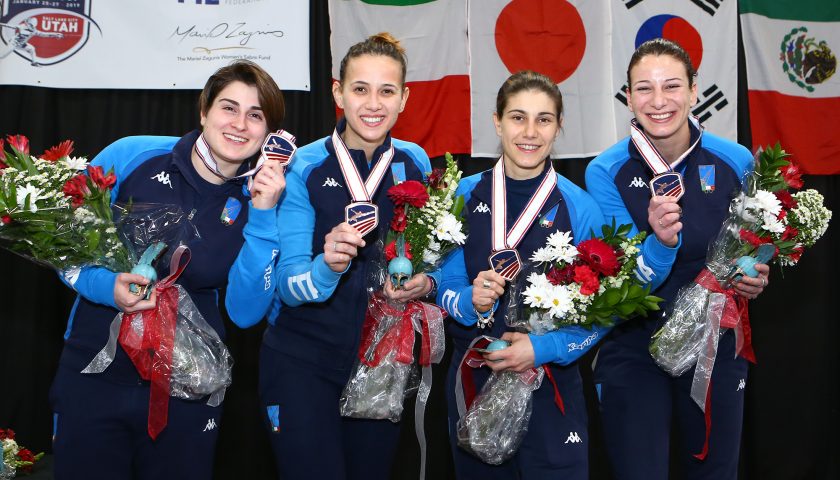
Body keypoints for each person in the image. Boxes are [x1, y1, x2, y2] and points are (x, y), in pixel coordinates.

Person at [49, 60, 287, 480]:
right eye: (228, 108)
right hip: (94, 374)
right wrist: (107, 287)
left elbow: (247, 312)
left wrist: (264, 215)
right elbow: (61, 246)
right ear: (203, 112)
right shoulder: (133, 154)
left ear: (269, 133)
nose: (239, 124)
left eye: (255, 115)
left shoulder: (266, 198)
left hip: (190, 387)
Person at [225, 33, 435, 479]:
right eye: (359, 89)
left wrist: (427, 283)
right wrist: (328, 267)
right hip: (303, 361)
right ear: (338, 92)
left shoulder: (415, 162)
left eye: (386, 90)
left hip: (381, 362)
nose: (373, 103)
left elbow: (435, 256)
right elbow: (288, 285)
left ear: (404, 99)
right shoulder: (302, 165)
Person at [585, 38, 770, 480]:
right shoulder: (605, 170)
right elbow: (621, 283)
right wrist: (659, 240)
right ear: (627, 97)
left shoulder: (735, 160)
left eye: (671, 86)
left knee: (714, 471)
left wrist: (757, 276)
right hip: (632, 344)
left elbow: (751, 245)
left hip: (714, 343)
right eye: (644, 88)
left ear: (693, 90)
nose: (659, 101)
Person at [435, 70, 608, 479]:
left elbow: (604, 313)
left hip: (552, 386)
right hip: (476, 375)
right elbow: (441, 284)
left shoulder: (580, 208)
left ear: (559, 126)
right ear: (497, 122)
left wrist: (543, 348)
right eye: (517, 117)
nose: (530, 132)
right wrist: (466, 300)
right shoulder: (462, 195)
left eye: (544, 119)